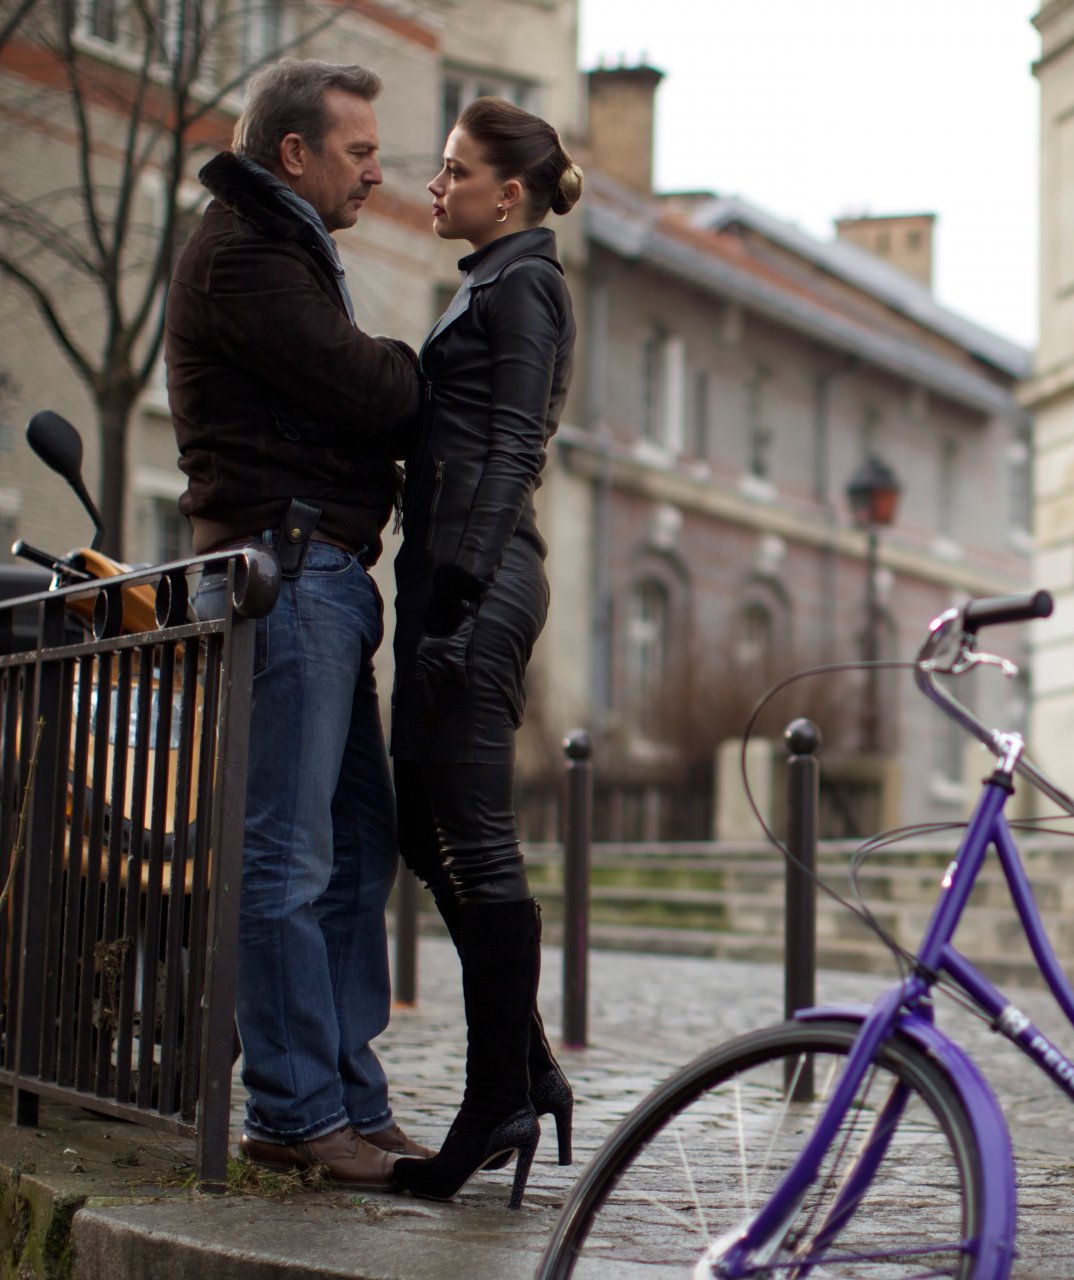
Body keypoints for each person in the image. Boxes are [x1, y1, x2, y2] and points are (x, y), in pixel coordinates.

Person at [168, 60, 431, 1189]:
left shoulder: (282, 249)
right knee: (287, 855)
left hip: (321, 577)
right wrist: (419, 372)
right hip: (284, 578)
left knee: (355, 853)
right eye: (359, 151)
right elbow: (363, 388)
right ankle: (291, 1110)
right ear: (295, 154)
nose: (379, 170)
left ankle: (347, 1097)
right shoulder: (246, 252)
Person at [387, 97, 581, 1209]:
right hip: (444, 576)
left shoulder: (529, 285)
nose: (434, 184)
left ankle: (489, 1102)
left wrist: (460, 599)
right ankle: (530, 1066)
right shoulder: (487, 280)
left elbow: (514, 444)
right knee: (419, 822)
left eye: (453, 170)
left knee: (476, 836)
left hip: (481, 577)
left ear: (505, 193)